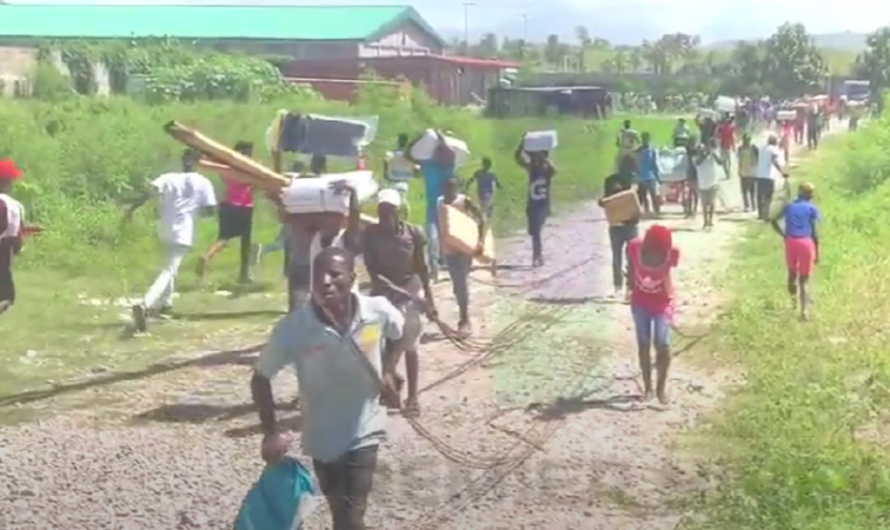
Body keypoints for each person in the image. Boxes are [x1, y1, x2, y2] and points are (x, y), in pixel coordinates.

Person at [251, 246, 405, 530]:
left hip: (365, 428)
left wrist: (388, 370)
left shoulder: (377, 310)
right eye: (318, 276)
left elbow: (400, 332)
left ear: (352, 277)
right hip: (322, 438)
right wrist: (270, 432)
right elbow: (260, 378)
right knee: (340, 515)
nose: (325, 282)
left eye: (334, 275)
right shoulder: (294, 328)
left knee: (352, 513)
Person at [363, 189, 437, 416]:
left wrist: (429, 300)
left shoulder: (413, 233)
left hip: (410, 284)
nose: (385, 216)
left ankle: (413, 397)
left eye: (389, 212)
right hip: (383, 292)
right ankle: (388, 381)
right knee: (372, 341)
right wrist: (410, 297)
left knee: (410, 341)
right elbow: (375, 274)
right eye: (381, 211)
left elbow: (421, 268)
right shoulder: (370, 234)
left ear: (398, 212)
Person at [128, 150, 217, 332]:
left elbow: (149, 192)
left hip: (165, 228)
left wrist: (132, 209)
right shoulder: (203, 182)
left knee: (170, 266)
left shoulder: (168, 178)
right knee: (169, 270)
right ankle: (146, 303)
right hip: (183, 231)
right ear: (199, 163)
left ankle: (166, 305)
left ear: (182, 161)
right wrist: (193, 207)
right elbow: (209, 211)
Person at [626, 224, 680, 406]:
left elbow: (668, 276)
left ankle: (660, 390)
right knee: (643, 344)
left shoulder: (673, 253)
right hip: (640, 302)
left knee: (662, 344)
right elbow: (631, 268)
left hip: (662, 302)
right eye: (653, 252)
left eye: (660, 253)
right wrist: (630, 287)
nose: (656, 256)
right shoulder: (633, 247)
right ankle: (648, 388)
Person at [197, 141, 256, 284]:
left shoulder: (226, 167)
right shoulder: (249, 168)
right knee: (245, 242)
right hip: (244, 206)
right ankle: (244, 274)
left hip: (226, 204)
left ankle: (207, 255)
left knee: (223, 238)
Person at [405, 131, 455, 283]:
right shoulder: (428, 164)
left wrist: (441, 138)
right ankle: (435, 271)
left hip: (448, 207)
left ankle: (448, 267)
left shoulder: (448, 164)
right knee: (433, 239)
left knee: (448, 239)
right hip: (433, 207)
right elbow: (409, 156)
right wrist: (416, 139)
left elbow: (450, 153)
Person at [438, 177, 485, 335]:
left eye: (452, 188)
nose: (449, 191)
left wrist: (480, 240)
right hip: (449, 249)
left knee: (461, 281)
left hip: (464, 247)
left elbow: (481, 217)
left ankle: (464, 319)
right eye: (447, 188)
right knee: (458, 282)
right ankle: (462, 308)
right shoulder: (441, 203)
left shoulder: (464, 201)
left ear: (457, 188)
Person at [770, 183, 819, 320]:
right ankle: (804, 312)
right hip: (806, 243)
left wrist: (784, 235)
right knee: (804, 279)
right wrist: (817, 251)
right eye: (810, 193)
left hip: (791, 242)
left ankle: (793, 303)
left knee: (792, 274)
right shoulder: (811, 208)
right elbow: (814, 232)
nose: (812, 195)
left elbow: (773, 221)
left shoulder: (789, 206)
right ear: (806, 194)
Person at [513, 138, 556, 267]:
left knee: (536, 231)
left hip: (542, 204)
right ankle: (537, 254)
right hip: (532, 204)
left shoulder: (547, 170)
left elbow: (554, 170)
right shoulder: (532, 168)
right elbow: (517, 158)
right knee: (533, 232)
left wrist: (543, 158)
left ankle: (537, 255)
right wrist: (522, 145)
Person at [599, 162, 640, 296]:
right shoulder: (615, 181)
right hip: (624, 225)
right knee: (627, 257)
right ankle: (623, 286)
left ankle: (625, 286)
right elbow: (606, 201)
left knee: (624, 257)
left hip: (623, 225)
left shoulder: (631, 183)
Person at [0, 158, 24, 317]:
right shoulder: (14, 205)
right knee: (4, 277)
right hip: (4, 246)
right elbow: (15, 231)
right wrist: (18, 247)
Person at [755, 135, 788, 221]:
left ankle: (760, 214)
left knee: (760, 195)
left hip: (759, 175)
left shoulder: (762, 148)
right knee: (768, 196)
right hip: (769, 176)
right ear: (775, 142)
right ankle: (766, 214)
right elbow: (774, 161)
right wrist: (782, 172)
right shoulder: (773, 149)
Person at [694, 139, 724, 230]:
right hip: (703, 184)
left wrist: (712, 153)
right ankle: (705, 221)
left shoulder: (712, 156)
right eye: (700, 150)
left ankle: (710, 221)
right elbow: (698, 163)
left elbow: (720, 162)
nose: (702, 151)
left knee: (712, 203)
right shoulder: (696, 158)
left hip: (712, 182)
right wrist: (706, 154)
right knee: (704, 204)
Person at [636, 132, 661, 216]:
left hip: (650, 175)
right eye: (644, 138)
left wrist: (657, 176)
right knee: (644, 195)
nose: (645, 140)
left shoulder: (652, 150)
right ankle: (647, 211)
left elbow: (654, 164)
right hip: (642, 176)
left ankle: (656, 211)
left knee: (653, 194)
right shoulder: (638, 151)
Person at [737, 133, 759, 212]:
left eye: (747, 139)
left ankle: (753, 204)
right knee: (744, 190)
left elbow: (758, 158)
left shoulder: (753, 148)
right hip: (744, 172)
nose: (746, 141)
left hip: (751, 172)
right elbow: (739, 160)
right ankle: (747, 205)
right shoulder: (740, 149)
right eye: (745, 139)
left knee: (752, 190)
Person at [683, 136, 700, 218]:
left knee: (693, 193)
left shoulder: (692, 152)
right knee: (691, 193)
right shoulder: (691, 152)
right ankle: (690, 209)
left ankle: (693, 209)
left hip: (694, 174)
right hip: (691, 173)